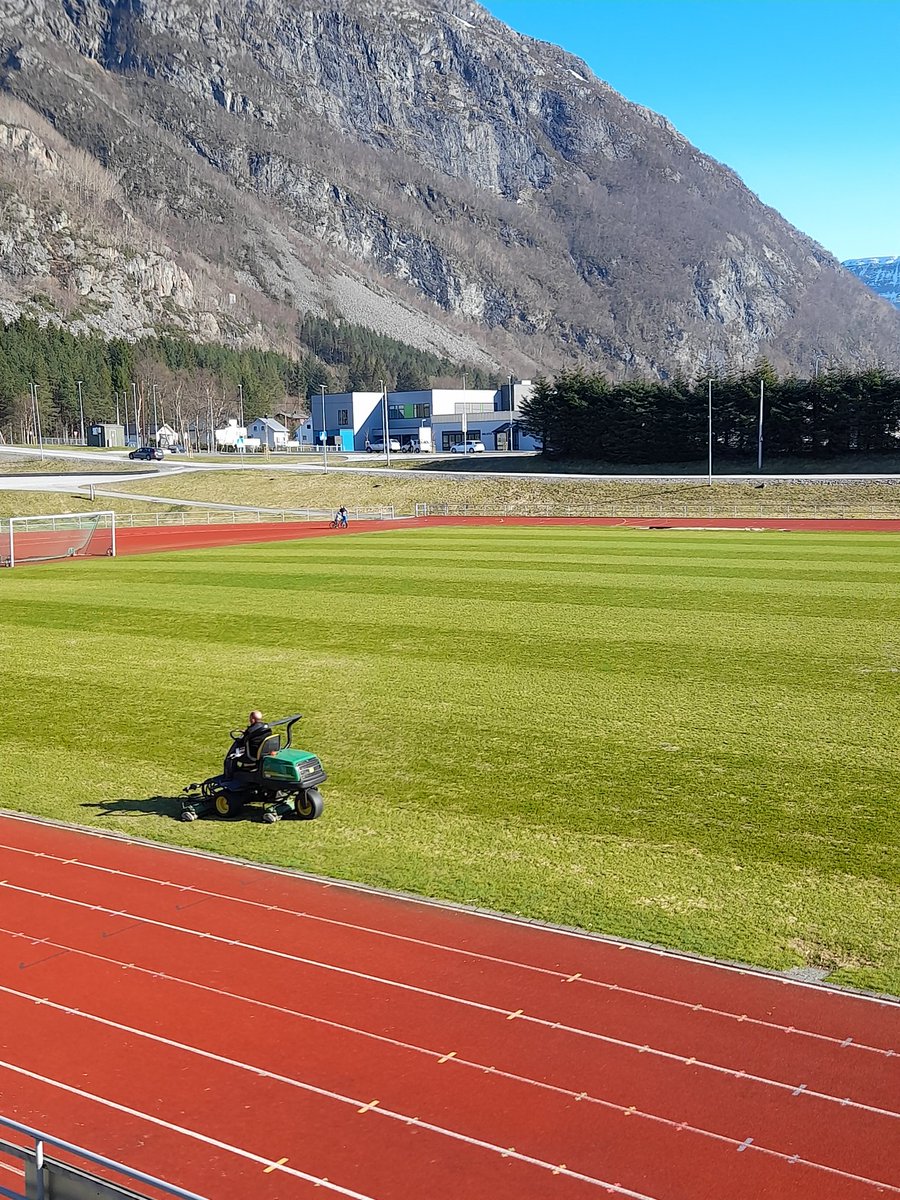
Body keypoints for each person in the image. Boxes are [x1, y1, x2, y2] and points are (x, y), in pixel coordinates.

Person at [225, 710, 271, 777]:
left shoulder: (250, 731)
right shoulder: (267, 729)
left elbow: (243, 742)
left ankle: (230, 776)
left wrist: (245, 734)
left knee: (231, 757)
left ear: (252, 719)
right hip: (263, 752)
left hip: (252, 756)